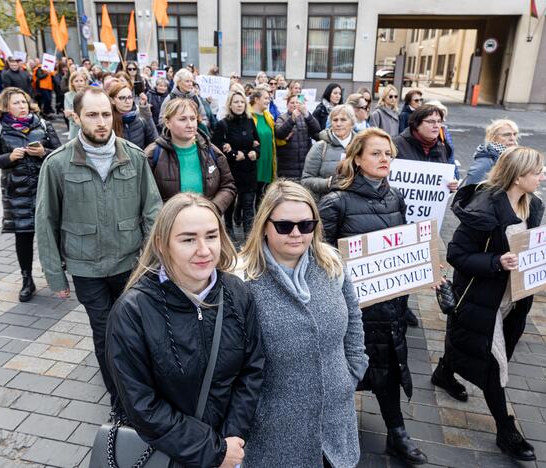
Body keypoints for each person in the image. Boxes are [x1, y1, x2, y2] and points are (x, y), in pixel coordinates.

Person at [106, 193, 265, 468]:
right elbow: (141, 404)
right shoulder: (132, 312)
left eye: (211, 236)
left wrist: (233, 437)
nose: (204, 250)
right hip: (170, 455)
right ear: (162, 244)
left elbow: (252, 368)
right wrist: (213, 450)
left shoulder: (238, 293)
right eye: (188, 239)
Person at [35, 87, 162, 406]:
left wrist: (155, 260)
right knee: (105, 332)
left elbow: (152, 210)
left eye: (106, 114)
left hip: (130, 264)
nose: (101, 121)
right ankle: (119, 399)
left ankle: (143, 387)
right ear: (77, 117)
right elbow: (45, 219)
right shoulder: (57, 164)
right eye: (92, 115)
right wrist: (55, 276)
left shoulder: (133, 156)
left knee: (135, 329)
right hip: (86, 268)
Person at [318, 128, 427, 466]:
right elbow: (317, 255)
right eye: (376, 153)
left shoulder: (395, 197)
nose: (384, 160)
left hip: (388, 305)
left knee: (389, 367)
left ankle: (397, 434)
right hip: (351, 307)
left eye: (388, 154)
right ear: (357, 159)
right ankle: (328, 437)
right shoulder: (337, 201)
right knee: (340, 372)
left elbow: (404, 246)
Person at [240, 180, 368, 467]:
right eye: (285, 226)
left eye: (306, 225)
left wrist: (354, 370)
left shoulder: (331, 264)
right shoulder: (242, 281)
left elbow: (354, 318)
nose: (296, 233)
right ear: (264, 225)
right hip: (275, 429)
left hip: (336, 419)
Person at [437, 146, 545, 461]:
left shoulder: (532, 204)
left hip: (514, 299)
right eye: (537, 172)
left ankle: (445, 372)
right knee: (495, 364)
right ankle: (506, 430)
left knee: (478, 349)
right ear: (518, 176)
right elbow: (456, 255)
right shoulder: (484, 208)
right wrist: (497, 261)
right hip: (481, 299)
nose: (541, 177)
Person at [0, 87, 61, 302]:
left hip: (44, 189)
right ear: (6, 107)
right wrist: (9, 157)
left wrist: (43, 153)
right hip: (17, 192)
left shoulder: (42, 124)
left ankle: (56, 273)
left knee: (52, 234)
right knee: (24, 236)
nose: (21, 106)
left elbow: (61, 152)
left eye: (24, 102)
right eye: (16, 103)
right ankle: (27, 279)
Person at [145, 97, 235, 213]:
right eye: (182, 119)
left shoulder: (212, 151)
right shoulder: (152, 154)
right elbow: (144, 195)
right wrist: (167, 215)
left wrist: (213, 208)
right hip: (169, 226)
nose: (190, 124)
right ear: (167, 122)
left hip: (206, 223)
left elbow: (228, 186)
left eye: (193, 118)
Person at [212, 89, 259, 239]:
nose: (239, 105)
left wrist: (255, 153)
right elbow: (216, 148)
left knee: (248, 206)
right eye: (236, 102)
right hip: (231, 172)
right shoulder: (223, 124)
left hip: (249, 171)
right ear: (230, 105)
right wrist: (232, 154)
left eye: (242, 102)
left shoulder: (250, 122)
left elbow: (257, 143)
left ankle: (249, 238)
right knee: (230, 205)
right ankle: (229, 232)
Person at [392, 104, 459, 191]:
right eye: (431, 121)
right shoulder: (395, 145)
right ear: (416, 124)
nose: (436, 126)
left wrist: (451, 186)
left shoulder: (443, 148)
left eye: (439, 121)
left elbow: (444, 181)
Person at [301, 104, 355, 199]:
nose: (338, 124)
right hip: (326, 204)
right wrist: (328, 183)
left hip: (355, 205)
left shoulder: (361, 146)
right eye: (335, 120)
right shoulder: (320, 147)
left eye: (343, 120)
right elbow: (306, 180)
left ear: (352, 123)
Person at [274, 92, 321, 180]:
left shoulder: (305, 117)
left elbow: (317, 129)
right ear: (287, 105)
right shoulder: (282, 117)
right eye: (292, 103)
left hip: (304, 166)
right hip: (287, 166)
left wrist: (307, 114)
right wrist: (292, 119)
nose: (295, 105)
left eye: (297, 103)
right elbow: (279, 133)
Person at [463, 119, 520, 186]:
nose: (512, 138)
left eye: (515, 134)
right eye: (506, 135)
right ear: (492, 137)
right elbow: (470, 190)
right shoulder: (486, 161)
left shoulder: (512, 156)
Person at [109, 83, 158, 150]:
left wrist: (143, 156)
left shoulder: (140, 117)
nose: (128, 101)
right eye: (122, 98)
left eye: (130, 97)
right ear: (112, 100)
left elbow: (154, 141)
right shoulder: (108, 121)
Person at [249, 85, 277, 204]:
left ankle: (259, 219)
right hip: (254, 161)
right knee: (249, 196)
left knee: (262, 195)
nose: (268, 100)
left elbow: (273, 137)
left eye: (269, 98)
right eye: (265, 98)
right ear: (256, 99)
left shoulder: (269, 117)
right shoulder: (247, 116)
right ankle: (239, 219)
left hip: (267, 160)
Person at [425, 99, 460, 179]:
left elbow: (451, 156)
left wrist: (455, 175)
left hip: (446, 173)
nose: (440, 123)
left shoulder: (444, 131)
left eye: (441, 120)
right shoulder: (427, 134)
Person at [63, 69, 90, 140]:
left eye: (81, 81)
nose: (79, 83)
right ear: (72, 83)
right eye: (76, 81)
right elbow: (68, 116)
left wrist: (72, 112)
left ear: (85, 82)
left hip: (88, 128)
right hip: (74, 129)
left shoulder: (89, 94)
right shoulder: (68, 96)